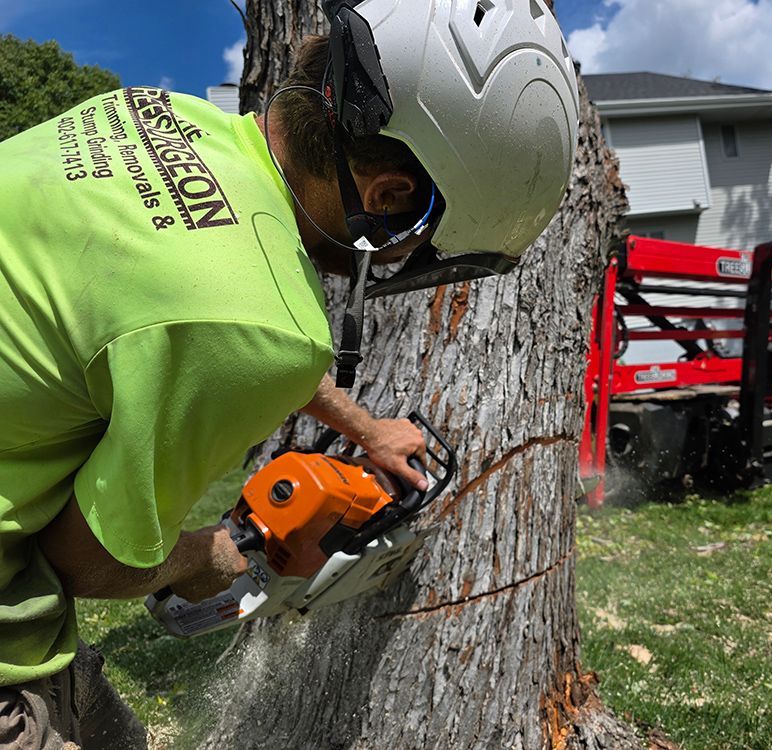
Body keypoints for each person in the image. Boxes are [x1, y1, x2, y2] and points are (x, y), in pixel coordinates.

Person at [0, 2, 579, 747]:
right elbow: (85, 561)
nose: (400, 252)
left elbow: (194, 305)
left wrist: (365, 429)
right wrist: (206, 555)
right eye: (416, 241)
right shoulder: (258, 322)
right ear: (390, 197)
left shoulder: (149, 114)